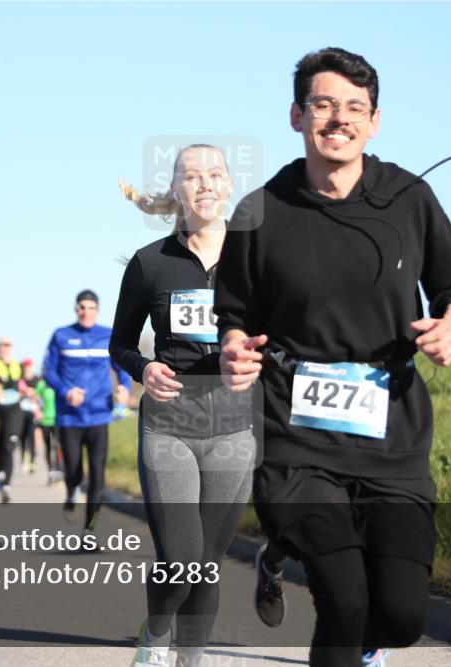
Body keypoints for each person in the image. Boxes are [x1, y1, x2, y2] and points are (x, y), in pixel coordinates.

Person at [215, 48, 451, 667]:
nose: (339, 118)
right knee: (345, 598)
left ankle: (277, 555)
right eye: (324, 105)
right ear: (296, 114)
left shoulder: (409, 198)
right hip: (295, 434)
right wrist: (234, 350)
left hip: (392, 434)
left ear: (375, 120)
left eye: (355, 107)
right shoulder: (260, 210)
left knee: (401, 617)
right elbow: (234, 313)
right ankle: (296, 546)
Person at [112, 144, 257, 667]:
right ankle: (155, 634)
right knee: (180, 561)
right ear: (176, 189)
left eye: (215, 174)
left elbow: (286, 338)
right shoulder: (151, 263)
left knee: (208, 565)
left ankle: (189, 661)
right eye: (191, 176)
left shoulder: (256, 258)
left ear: (229, 185)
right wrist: (142, 368)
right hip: (169, 426)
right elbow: (121, 342)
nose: (204, 184)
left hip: (235, 425)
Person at [43, 289, 131, 534]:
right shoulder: (61, 335)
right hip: (69, 416)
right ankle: (72, 488)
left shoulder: (108, 335)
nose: (86, 312)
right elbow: (49, 371)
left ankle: (89, 529)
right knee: (73, 471)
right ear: (76, 309)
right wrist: (66, 391)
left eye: (91, 307)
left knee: (97, 472)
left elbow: (121, 365)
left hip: (99, 414)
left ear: (97, 310)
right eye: (82, 307)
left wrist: (123, 387)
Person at [0, 337, 24, 502]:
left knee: (9, 446)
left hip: (13, 410)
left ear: (12, 347)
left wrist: (26, 391)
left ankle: (6, 484)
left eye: (8, 345)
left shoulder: (18, 365)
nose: (5, 348)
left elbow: (22, 385)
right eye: (2, 345)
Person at [35, 373, 61, 484]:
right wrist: (38, 411)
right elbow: (36, 399)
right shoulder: (41, 385)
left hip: (58, 419)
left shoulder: (59, 382)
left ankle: (59, 469)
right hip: (45, 420)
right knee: (48, 446)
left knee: (58, 445)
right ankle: (50, 470)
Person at [18, 358, 41, 474]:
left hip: (33, 411)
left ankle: (32, 460)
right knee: (22, 436)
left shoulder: (36, 379)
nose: (27, 368)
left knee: (32, 436)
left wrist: (30, 392)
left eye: (28, 366)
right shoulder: (20, 379)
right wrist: (25, 391)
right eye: (25, 366)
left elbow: (38, 395)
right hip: (21, 411)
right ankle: (23, 458)